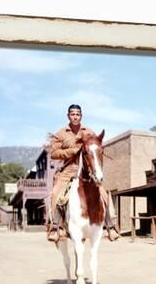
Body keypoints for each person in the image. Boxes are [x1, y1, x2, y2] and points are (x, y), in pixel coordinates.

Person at [46, 104, 121, 242]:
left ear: (81, 116)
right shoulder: (61, 133)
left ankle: (110, 226)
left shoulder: (89, 132)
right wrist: (72, 151)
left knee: (103, 193)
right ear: (68, 116)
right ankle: (56, 227)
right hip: (68, 170)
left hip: (86, 170)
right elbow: (54, 153)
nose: (75, 116)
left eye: (78, 114)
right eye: (72, 114)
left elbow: (95, 145)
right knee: (57, 193)